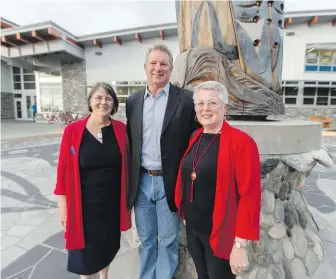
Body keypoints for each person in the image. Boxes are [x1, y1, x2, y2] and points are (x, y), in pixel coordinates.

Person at [175, 81, 261, 279]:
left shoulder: (242, 143)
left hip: (221, 233)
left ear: (225, 107)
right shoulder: (196, 136)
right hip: (194, 230)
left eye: (212, 103)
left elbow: (250, 195)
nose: (205, 109)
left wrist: (240, 244)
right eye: (200, 103)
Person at [125, 44, 198, 279]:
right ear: (145, 67)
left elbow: (196, 139)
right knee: (146, 240)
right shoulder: (133, 101)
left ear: (171, 68)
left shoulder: (186, 99)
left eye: (163, 64)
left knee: (168, 240)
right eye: (153, 63)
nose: (158, 68)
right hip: (142, 182)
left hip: (170, 182)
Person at [54, 82, 132, 279]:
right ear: (90, 101)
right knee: (85, 258)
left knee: (107, 248)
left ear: (114, 103)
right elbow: (62, 173)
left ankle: (104, 277)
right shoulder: (73, 131)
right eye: (98, 97)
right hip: (83, 207)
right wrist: (63, 208)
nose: (103, 102)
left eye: (108, 98)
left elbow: (129, 163)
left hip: (111, 206)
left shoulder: (121, 130)